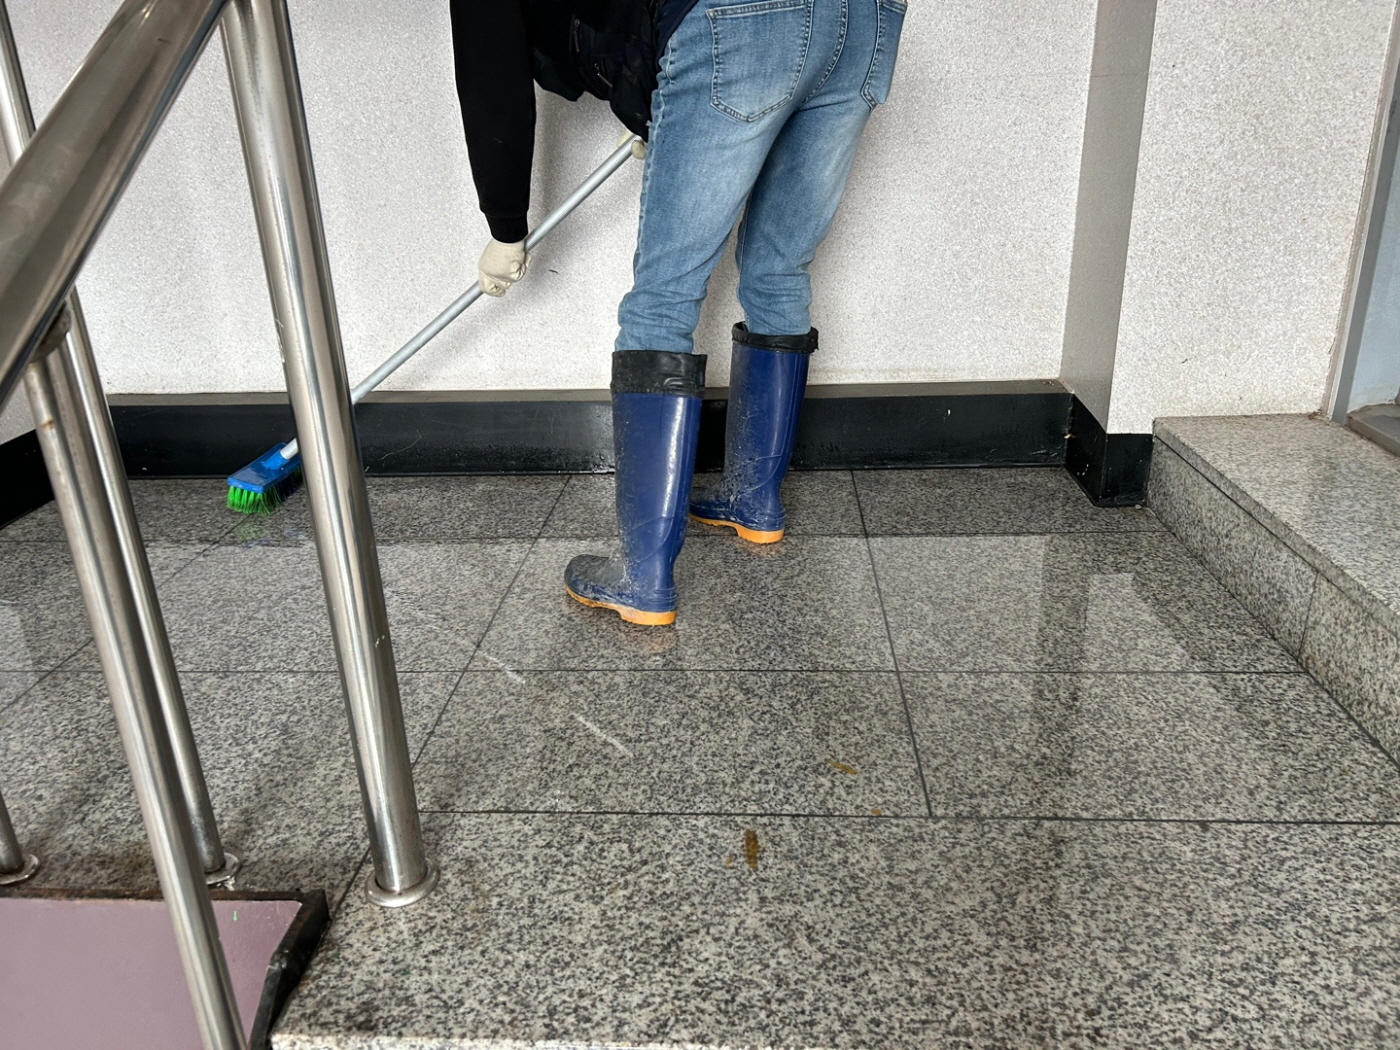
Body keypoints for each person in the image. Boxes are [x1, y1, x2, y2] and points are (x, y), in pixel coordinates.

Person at [452, 0, 906, 626]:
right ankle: (754, 504)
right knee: (779, 268)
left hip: (745, 19)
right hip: (865, 20)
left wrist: (505, 224)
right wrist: (657, 109)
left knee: (663, 298)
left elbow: (492, 76)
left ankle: (642, 578)